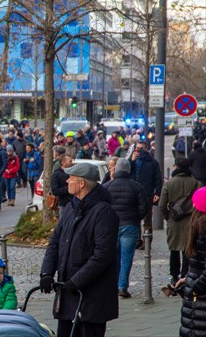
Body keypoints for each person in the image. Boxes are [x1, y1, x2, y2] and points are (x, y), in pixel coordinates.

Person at [40, 162, 118, 337]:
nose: (67, 181)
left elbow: (102, 255)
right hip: (68, 293)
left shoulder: (103, 212)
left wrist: (76, 281)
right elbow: (55, 242)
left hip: (90, 296)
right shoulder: (71, 207)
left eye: (71, 179)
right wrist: (46, 273)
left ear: (81, 183)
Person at [103, 158, 149, 298]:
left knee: (113, 257)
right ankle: (122, 286)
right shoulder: (136, 187)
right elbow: (144, 207)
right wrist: (135, 218)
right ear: (129, 170)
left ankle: (112, 285)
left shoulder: (107, 186)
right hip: (130, 225)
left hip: (112, 226)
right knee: (127, 257)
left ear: (116, 170)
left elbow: (102, 207)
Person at [159, 158, 202, 286]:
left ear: (176, 167)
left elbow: (162, 205)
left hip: (174, 221)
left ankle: (174, 275)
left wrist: (168, 217)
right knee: (188, 249)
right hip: (191, 221)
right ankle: (185, 274)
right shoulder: (196, 183)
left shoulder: (169, 184)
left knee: (174, 250)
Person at [175, 187, 206, 336]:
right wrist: (187, 278)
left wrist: (195, 287)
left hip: (200, 299)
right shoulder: (200, 229)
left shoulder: (202, 231)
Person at [131, 140, 163, 249]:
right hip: (134, 195)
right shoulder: (132, 161)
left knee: (147, 220)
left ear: (145, 149)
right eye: (137, 148)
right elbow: (127, 173)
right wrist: (131, 161)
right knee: (135, 219)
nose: (139, 150)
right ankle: (137, 240)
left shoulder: (152, 162)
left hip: (147, 194)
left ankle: (147, 241)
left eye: (141, 148)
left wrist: (157, 193)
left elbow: (158, 179)